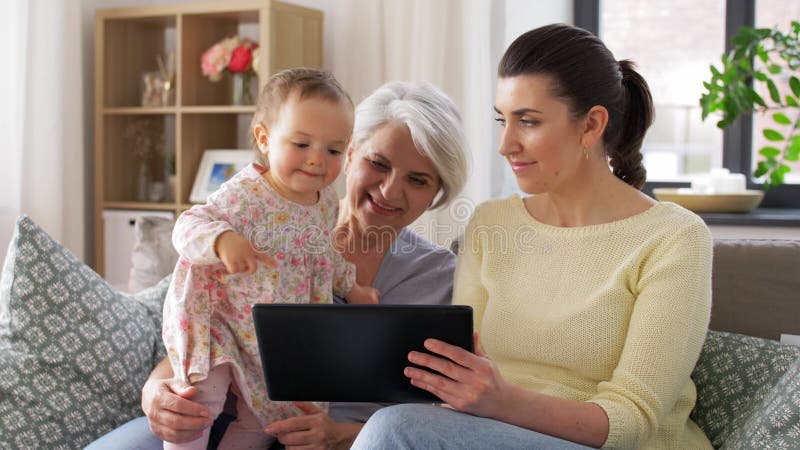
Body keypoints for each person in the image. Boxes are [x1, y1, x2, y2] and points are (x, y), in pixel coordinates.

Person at [351, 24, 713, 450]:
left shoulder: (673, 238)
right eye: (502, 120)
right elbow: (461, 369)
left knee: (395, 429)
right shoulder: (490, 224)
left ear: (591, 125)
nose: (505, 145)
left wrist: (502, 401)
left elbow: (633, 420)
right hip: (493, 435)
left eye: (528, 122)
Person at [84, 80, 469, 449]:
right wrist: (155, 392)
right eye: (378, 163)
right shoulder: (261, 223)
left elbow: (438, 413)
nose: (389, 190)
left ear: (436, 193)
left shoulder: (438, 278)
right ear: (351, 154)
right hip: (210, 416)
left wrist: (341, 434)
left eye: (417, 180)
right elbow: (199, 318)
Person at [160, 67, 380, 449]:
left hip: (272, 334)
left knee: (263, 420)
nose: (316, 161)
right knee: (198, 403)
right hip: (221, 322)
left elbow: (324, 252)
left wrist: (353, 287)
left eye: (332, 150)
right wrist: (223, 241)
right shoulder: (248, 192)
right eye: (301, 144)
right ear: (265, 138)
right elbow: (188, 225)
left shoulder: (325, 200)